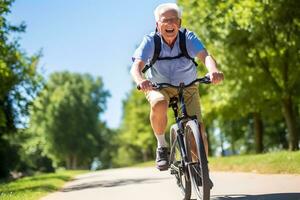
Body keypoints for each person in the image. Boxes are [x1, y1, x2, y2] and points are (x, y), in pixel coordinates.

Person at [130, 3, 224, 172]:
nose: (170, 24)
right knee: (159, 103)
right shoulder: (151, 41)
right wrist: (140, 80)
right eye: (165, 20)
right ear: (157, 24)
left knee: (199, 130)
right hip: (159, 86)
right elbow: (136, 66)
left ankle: (200, 169)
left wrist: (213, 70)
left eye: (174, 20)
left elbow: (206, 56)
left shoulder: (188, 37)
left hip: (187, 86)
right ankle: (162, 146)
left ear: (179, 23)